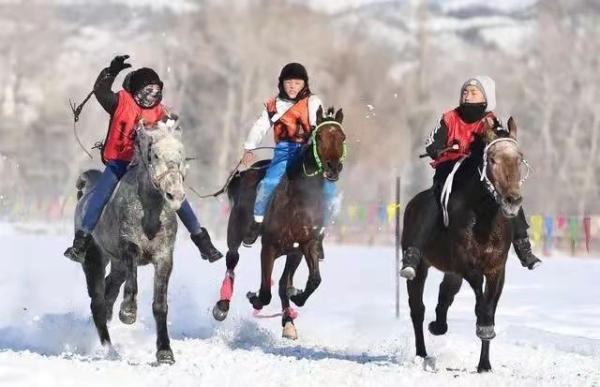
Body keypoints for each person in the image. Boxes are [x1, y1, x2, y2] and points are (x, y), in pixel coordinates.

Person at [64, 55, 223, 263]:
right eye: (147, 91)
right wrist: (110, 72)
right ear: (137, 91)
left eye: (156, 91)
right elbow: (101, 92)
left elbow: (170, 137)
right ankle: (81, 242)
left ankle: (203, 242)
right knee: (100, 195)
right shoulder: (119, 102)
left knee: (178, 196)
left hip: (149, 165)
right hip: (119, 161)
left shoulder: (161, 113)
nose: (151, 96)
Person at [400, 76, 541, 279]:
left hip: (478, 172)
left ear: (486, 97)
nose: (467, 95)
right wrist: (439, 148)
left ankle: (523, 246)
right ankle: (413, 254)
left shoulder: (492, 121)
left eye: (473, 92)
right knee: (432, 201)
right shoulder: (449, 118)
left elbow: (500, 142)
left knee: (509, 195)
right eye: (465, 92)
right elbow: (431, 142)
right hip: (449, 172)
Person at [240, 62, 336, 246]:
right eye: (289, 82)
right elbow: (260, 126)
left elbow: (319, 126)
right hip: (284, 150)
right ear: (282, 84)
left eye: (297, 83)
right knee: (267, 184)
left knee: (329, 190)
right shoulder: (274, 105)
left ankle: (320, 233)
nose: (292, 87)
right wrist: (249, 147)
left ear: (305, 84)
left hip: (309, 151)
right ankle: (257, 222)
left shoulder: (313, 102)